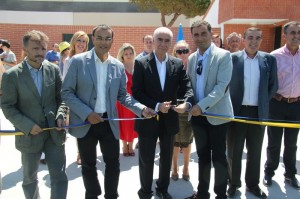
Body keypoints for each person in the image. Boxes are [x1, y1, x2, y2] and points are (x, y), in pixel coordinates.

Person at [61, 24, 156, 199]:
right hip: (85, 122)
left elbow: (123, 96)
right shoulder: (77, 62)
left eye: (108, 38)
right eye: (100, 38)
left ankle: (111, 195)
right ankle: (92, 194)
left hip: (109, 122)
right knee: (88, 165)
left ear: (112, 40)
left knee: (113, 163)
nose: (104, 42)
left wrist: (141, 109)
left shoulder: (117, 66)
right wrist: (87, 112)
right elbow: (66, 92)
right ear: (93, 39)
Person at [1, 30, 68, 199]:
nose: (40, 52)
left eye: (43, 48)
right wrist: (28, 125)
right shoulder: (12, 75)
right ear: (25, 48)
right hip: (29, 136)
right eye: (35, 48)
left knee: (59, 177)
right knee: (30, 179)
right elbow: (7, 106)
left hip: (55, 134)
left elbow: (63, 98)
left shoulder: (53, 70)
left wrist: (61, 115)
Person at [132, 27, 194, 199]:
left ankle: (162, 189)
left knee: (166, 158)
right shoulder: (141, 63)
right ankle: (145, 191)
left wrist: (187, 103)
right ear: (153, 40)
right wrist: (157, 105)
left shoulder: (177, 63)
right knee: (146, 158)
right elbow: (136, 92)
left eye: (167, 40)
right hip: (148, 117)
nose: (163, 43)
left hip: (170, 120)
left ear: (171, 43)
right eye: (160, 39)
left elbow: (187, 87)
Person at [226, 27, 278, 198]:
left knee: (255, 151)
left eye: (257, 38)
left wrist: (263, 100)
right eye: (250, 37)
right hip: (237, 112)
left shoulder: (269, 60)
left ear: (261, 40)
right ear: (244, 39)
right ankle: (233, 183)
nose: (253, 41)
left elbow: (273, 85)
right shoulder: (232, 59)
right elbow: (225, 84)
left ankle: (253, 184)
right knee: (234, 150)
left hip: (258, 112)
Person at [185, 20, 233, 199]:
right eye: (195, 34)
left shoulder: (223, 55)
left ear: (210, 33)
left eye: (203, 33)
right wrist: (189, 104)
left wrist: (200, 105)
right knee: (203, 157)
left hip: (218, 116)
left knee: (219, 158)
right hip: (197, 117)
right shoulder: (191, 58)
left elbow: (221, 88)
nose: (199, 38)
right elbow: (189, 85)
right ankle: (202, 194)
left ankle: (221, 194)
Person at [263, 21, 300, 190]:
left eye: (299, 32)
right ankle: (269, 172)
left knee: (292, 143)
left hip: (296, 105)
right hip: (277, 104)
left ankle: (290, 174)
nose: (296, 36)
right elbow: (268, 82)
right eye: (292, 32)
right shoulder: (275, 56)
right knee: (274, 142)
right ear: (285, 35)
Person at [62, 31, 89, 165]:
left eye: (84, 41)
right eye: (79, 40)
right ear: (73, 41)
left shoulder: (90, 58)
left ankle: (87, 152)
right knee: (79, 127)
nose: (81, 44)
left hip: (89, 97)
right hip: (76, 98)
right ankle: (80, 152)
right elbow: (66, 82)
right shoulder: (68, 60)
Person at [170, 40, 193, 182]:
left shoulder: (195, 65)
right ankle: (174, 167)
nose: (182, 53)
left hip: (190, 108)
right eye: (179, 51)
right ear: (174, 53)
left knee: (187, 140)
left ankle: (185, 167)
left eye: (185, 50)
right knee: (174, 140)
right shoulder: (170, 66)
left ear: (189, 52)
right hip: (174, 108)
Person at [115, 43, 138, 157]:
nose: (129, 55)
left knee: (133, 122)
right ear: (122, 55)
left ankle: (131, 145)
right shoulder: (119, 67)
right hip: (122, 100)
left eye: (130, 53)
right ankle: (124, 145)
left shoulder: (138, 66)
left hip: (135, 99)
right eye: (126, 54)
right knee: (123, 122)